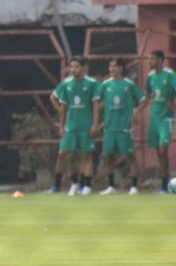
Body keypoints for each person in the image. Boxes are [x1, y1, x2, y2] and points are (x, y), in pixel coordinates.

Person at [93, 58, 144, 195]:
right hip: (109, 127)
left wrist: (136, 112)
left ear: (121, 68)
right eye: (110, 67)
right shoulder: (105, 85)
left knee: (129, 156)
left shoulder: (128, 84)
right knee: (108, 156)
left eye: (115, 67)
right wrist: (97, 121)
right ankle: (111, 186)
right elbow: (97, 101)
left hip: (124, 127)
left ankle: (134, 186)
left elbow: (143, 99)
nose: (112, 69)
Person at [139, 50, 176, 193]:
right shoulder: (150, 76)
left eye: (153, 59)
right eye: (149, 59)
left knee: (163, 149)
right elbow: (148, 96)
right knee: (159, 152)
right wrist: (137, 111)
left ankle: (166, 182)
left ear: (161, 60)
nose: (150, 61)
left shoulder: (170, 74)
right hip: (154, 118)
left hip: (166, 118)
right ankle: (165, 185)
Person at [57, 56, 99, 195]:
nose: (73, 70)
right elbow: (63, 106)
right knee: (68, 153)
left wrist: (95, 124)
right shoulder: (65, 84)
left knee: (86, 154)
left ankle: (87, 185)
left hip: (86, 125)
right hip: (71, 125)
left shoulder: (92, 83)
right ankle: (74, 183)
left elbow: (96, 105)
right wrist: (61, 126)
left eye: (76, 66)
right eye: (71, 67)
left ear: (83, 68)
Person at [46, 62, 74, 193]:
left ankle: (81, 184)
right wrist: (61, 111)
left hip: (82, 123)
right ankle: (57, 185)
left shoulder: (88, 83)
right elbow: (52, 97)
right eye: (70, 67)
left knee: (82, 154)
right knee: (62, 154)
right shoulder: (65, 83)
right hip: (68, 124)